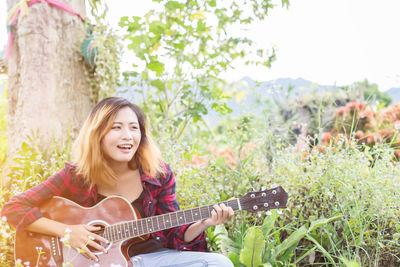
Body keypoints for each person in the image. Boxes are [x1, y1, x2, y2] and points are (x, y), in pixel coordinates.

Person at [2, 97, 234, 266]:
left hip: (150, 259)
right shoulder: (76, 175)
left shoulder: (159, 175)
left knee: (219, 263)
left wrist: (203, 223)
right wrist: (67, 232)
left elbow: (175, 233)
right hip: (94, 262)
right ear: (98, 135)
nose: (127, 136)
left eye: (134, 128)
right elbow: (11, 209)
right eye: (116, 128)